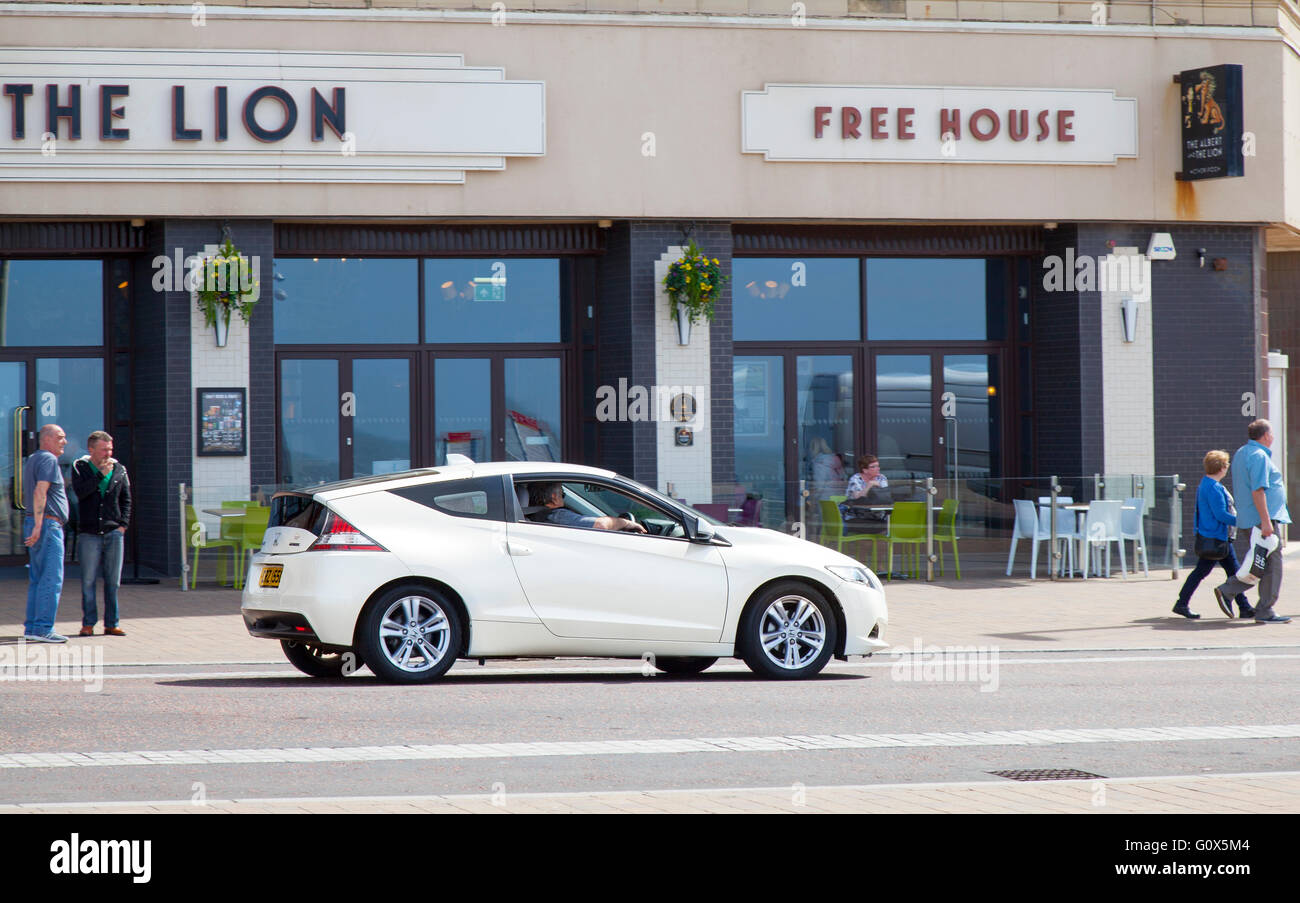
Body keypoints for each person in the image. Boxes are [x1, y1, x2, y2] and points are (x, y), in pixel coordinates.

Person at [1214, 419, 1292, 624]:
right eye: (1272, 433)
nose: (1273, 437)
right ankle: (1263, 609)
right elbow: (1258, 491)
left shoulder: (1242, 453)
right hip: (1261, 520)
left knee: (1260, 563)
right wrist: (1266, 523)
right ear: (1265, 435)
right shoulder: (1259, 456)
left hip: (1251, 519)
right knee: (1273, 565)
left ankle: (1230, 591)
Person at [1172, 450, 1253, 619]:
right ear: (1222, 467)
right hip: (1217, 538)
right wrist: (1242, 521)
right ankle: (1182, 603)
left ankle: (1244, 607)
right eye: (1227, 464)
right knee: (1228, 573)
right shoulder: (1214, 488)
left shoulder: (1206, 484)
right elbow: (1221, 515)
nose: (1228, 467)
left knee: (1229, 572)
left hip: (1214, 537)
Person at [71, 430, 131, 637]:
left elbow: (126, 499)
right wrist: (100, 475)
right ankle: (88, 623)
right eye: (104, 449)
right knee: (88, 580)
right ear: (92, 449)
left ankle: (111, 623)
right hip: (89, 533)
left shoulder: (120, 469)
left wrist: (122, 525)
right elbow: (80, 492)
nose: (108, 453)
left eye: (110, 449)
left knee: (113, 581)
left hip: (113, 532)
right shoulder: (80, 467)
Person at [22, 424, 69, 643]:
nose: (64, 441)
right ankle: (42, 628)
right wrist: (39, 526)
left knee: (38, 579)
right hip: (48, 525)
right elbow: (40, 491)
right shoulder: (49, 460)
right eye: (60, 437)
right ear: (47, 439)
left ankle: (32, 627)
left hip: (38, 522)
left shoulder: (33, 459)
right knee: (51, 579)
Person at [530, 482, 646, 533]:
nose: (563, 499)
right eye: (562, 494)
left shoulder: (533, 516)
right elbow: (601, 525)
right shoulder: (557, 516)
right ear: (554, 497)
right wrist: (626, 523)